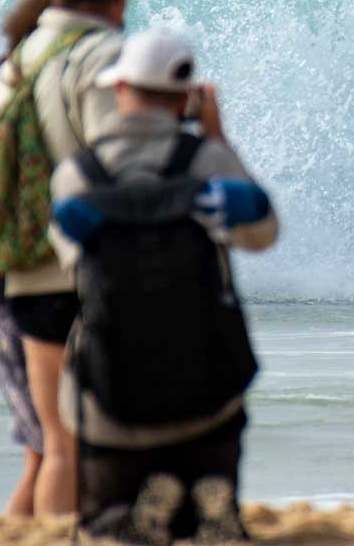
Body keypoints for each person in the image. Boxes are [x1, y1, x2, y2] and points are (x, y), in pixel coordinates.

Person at [49, 28, 277, 543]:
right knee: (210, 506)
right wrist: (216, 139)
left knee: (109, 522)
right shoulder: (208, 163)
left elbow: (72, 264)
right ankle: (207, 510)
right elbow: (264, 232)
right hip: (207, 402)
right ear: (185, 96)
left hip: (110, 402)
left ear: (121, 88)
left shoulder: (76, 176)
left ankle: (117, 519)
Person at [0, 0, 130, 515]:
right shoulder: (98, 55)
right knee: (77, 447)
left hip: (12, 270)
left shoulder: (22, 54)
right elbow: (110, 163)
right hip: (71, 272)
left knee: (50, 450)